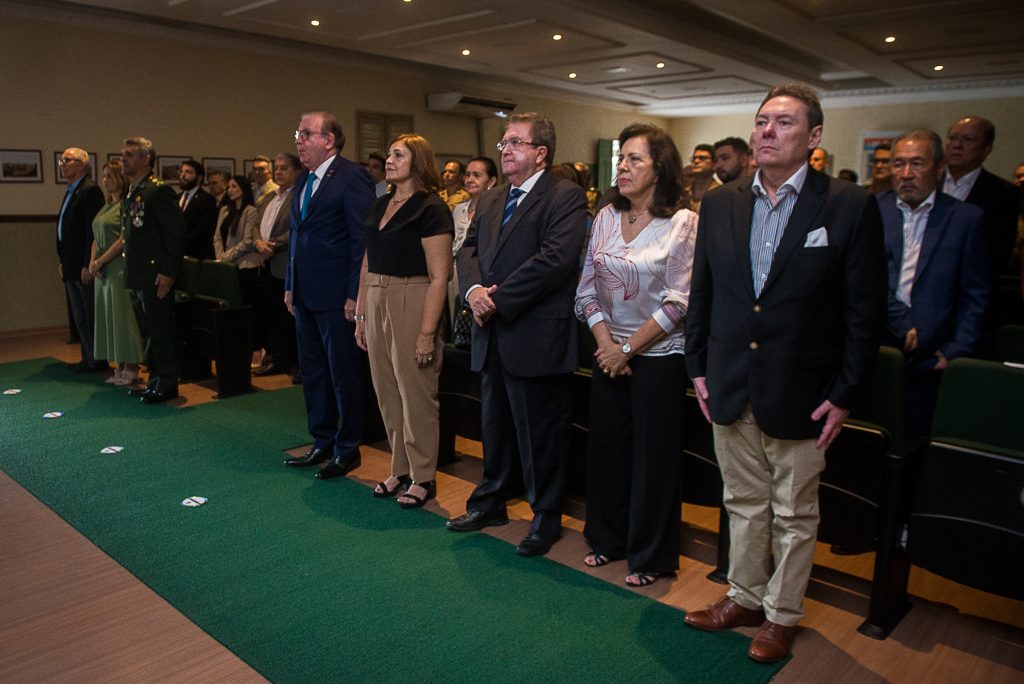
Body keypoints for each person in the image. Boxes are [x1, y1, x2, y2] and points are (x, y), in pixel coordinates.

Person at [683, 84, 886, 663]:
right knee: (742, 500)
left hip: (804, 387)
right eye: (762, 121)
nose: (767, 131)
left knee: (794, 511)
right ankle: (744, 597)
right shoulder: (721, 202)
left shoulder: (847, 204)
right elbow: (705, 293)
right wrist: (698, 367)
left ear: (814, 137)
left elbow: (863, 313)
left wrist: (846, 392)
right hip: (728, 378)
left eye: (784, 123)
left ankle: (781, 615)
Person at [447, 113, 588, 558]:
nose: (504, 149)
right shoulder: (491, 199)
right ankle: (490, 502)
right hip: (492, 334)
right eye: (503, 143)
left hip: (534, 334)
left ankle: (545, 517)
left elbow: (555, 260)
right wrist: (472, 291)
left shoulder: (564, 196)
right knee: (495, 427)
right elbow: (468, 249)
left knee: (539, 434)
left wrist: (497, 299)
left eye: (515, 143)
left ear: (540, 152)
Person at [574, 123, 697, 587]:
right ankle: (608, 539)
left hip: (660, 355)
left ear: (660, 167)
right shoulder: (605, 215)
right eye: (620, 158)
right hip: (608, 352)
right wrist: (606, 345)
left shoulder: (683, 223)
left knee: (653, 459)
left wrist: (627, 348)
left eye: (634, 159)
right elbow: (586, 289)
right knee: (607, 450)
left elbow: (679, 303)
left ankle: (650, 555)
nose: (622, 166)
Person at [354, 134, 454, 508]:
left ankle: (424, 476)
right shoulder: (379, 205)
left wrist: (428, 332)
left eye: (399, 154)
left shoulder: (431, 208)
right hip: (377, 295)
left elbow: (440, 275)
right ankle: (401, 467)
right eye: (390, 154)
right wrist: (362, 313)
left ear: (419, 161)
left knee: (416, 392)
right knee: (386, 389)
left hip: (414, 295)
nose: (389, 159)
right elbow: (367, 261)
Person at [282, 111, 374, 480]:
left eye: (306, 134)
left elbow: (361, 240)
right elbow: (296, 238)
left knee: (344, 374)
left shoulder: (352, 177)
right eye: (298, 133)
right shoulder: (304, 179)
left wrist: (355, 294)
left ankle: (347, 448)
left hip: (338, 296)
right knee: (314, 372)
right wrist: (290, 283)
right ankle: (321, 440)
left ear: (330, 140)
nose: (299, 140)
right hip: (305, 292)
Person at [880, 130, 989, 438]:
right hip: (879, 346)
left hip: (933, 356)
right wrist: (903, 322)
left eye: (917, 163)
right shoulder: (873, 210)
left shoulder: (965, 219)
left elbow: (975, 295)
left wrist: (954, 350)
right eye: (898, 164)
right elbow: (865, 280)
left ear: (939, 168)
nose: (906, 174)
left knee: (919, 441)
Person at [120, 136, 187, 403]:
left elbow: (176, 234)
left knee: (160, 330)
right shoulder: (133, 190)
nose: (123, 159)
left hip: (155, 274)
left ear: (146, 159)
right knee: (148, 331)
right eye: (122, 155)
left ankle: (167, 383)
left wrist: (169, 271)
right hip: (138, 274)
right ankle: (155, 380)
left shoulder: (158, 191)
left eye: (129, 155)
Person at [88, 160, 144, 386]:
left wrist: (101, 260)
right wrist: (93, 262)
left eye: (109, 176)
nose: (105, 180)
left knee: (123, 317)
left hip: (118, 267)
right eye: (103, 176)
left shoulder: (127, 204)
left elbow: (124, 238)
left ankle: (132, 366)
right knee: (110, 317)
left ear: (120, 178)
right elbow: (95, 236)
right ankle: (119, 364)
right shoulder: (105, 206)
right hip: (103, 271)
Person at [56, 147, 105, 373]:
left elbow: (91, 230)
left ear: (82, 165)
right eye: (61, 161)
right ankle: (87, 356)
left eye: (67, 160)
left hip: (83, 265)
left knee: (88, 313)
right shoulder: (71, 190)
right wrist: (62, 261)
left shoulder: (90, 190)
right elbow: (65, 229)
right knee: (78, 315)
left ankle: (96, 358)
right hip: (70, 264)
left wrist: (88, 263)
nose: (62, 164)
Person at [253, 153, 300, 377]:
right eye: (277, 168)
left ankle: (294, 361)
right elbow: (255, 224)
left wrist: (272, 245)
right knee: (272, 315)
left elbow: (297, 228)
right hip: (266, 263)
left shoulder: (299, 196)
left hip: (285, 264)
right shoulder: (270, 196)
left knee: (289, 316)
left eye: (284, 168)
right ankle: (278, 359)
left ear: (296, 172)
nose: (279, 172)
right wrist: (257, 243)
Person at [450, 156, 498, 321]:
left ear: (491, 181)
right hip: (455, 272)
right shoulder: (458, 209)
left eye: (476, 175)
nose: (470, 179)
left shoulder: (496, 211)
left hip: (479, 274)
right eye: (467, 175)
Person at [213, 175, 261, 334]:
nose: (230, 190)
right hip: (227, 266)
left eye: (234, 187)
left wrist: (225, 257)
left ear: (243, 189)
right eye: (229, 187)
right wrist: (220, 256)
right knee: (229, 307)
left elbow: (247, 242)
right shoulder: (225, 210)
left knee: (244, 307)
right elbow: (217, 237)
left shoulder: (251, 211)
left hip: (245, 266)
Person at [179, 159, 218, 260]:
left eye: (188, 172)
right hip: (176, 255)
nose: (183, 175)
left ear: (199, 178)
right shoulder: (176, 198)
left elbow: (202, 230)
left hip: (196, 256)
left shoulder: (207, 199)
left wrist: (179, 242)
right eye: (182, 171)